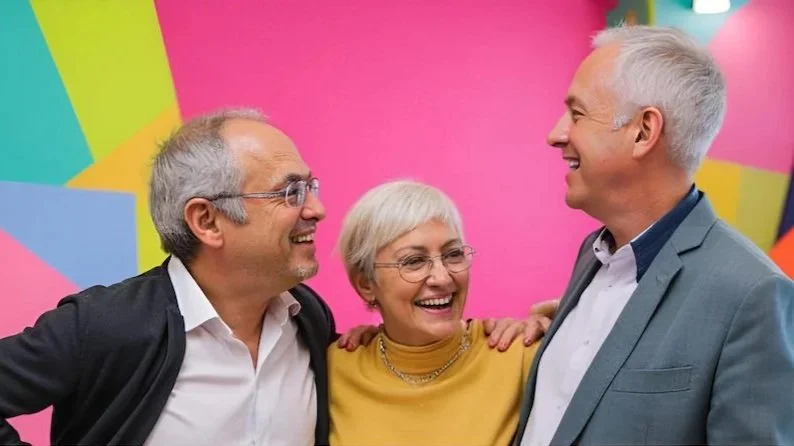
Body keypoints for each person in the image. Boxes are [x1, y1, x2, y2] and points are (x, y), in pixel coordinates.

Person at [0, 108, 544, 446]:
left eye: (311, 187)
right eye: (290, 193)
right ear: (207, 221)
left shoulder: (309, 320)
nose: (317, 209)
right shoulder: (106, 325)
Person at [514, 25, 794, 445]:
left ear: (643, 131)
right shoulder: (591, 256)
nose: (556, 134)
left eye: (577, 114)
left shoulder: (753, 295)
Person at [328, 180, 540, 446]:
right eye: (414, 261)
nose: (442, 277)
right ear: (366, 284)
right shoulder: (333, 368)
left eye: (453, 255)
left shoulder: (520, 355)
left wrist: (564, 322)